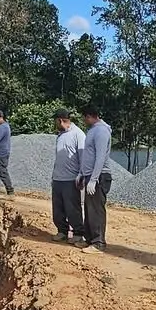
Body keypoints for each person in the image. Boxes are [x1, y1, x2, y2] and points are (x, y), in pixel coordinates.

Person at [77, 107, 113, 250]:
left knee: (96, 210)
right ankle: (90, 239)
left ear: (90, 116)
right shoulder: (92, 131)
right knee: (89, 209)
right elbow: (88, 156)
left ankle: (98, 243)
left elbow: (100, 157)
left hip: (99, 177)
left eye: (84, 118)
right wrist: (82, 173)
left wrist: (94, 178)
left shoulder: (101, 131)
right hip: (89, 175)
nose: (84, 121)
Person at [49, 110, 84, 240]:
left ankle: (78, 234)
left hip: (71, 179)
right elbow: (58, 158)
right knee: (58, 209)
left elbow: (83, 157)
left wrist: (81, 175)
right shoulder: (60, 135)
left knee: (72, 208)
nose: (54, 123)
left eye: (55, 121)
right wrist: (53, 176)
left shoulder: (78, 134)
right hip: (58, 178)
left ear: (60, 120)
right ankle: (62, 231)